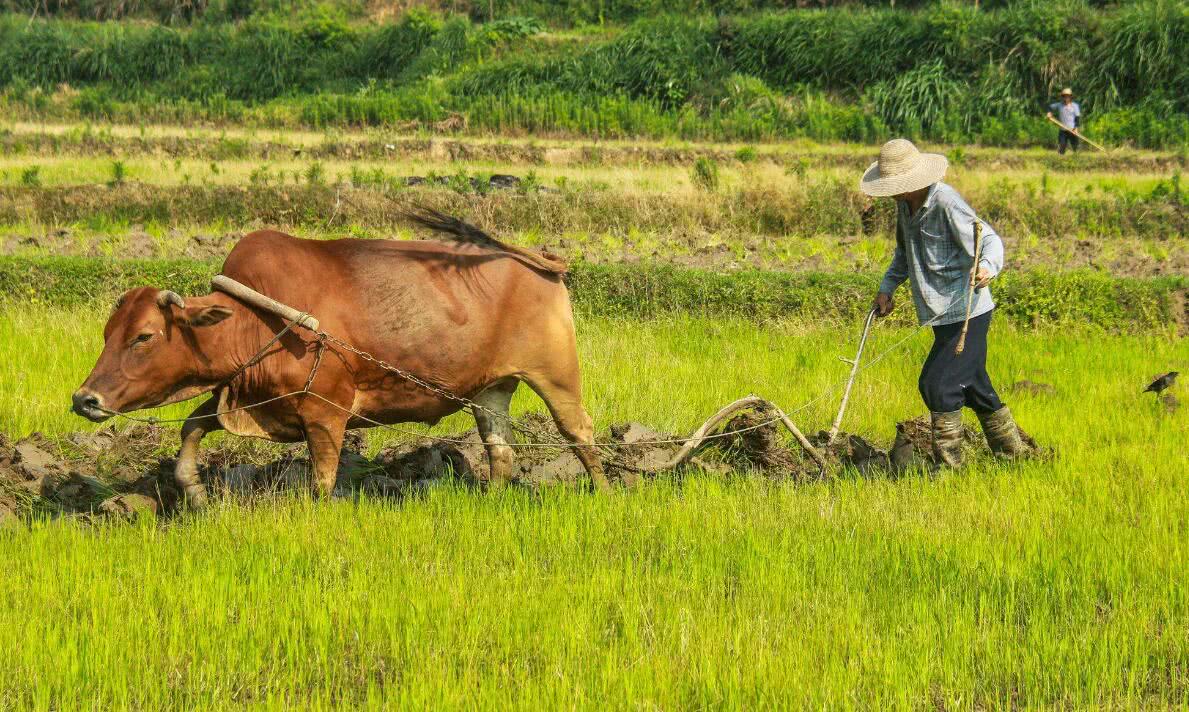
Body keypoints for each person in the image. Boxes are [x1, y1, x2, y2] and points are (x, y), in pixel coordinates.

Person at [861, 138, 1029, 467]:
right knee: (974, 386)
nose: (892, 191)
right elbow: (903, 254)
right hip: (938, 314)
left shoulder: (946, 202)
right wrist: (887, 288)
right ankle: (1015, 456)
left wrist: (987, 268)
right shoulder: (904, 206)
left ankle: (952, 467)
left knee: (936, 384)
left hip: (966, 311)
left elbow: (989, 239)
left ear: (913, 180)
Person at [1047, 88, 1082, 154]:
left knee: (1075, 147)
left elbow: (1077, 118)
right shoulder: (1059, 105)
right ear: (1062, 97)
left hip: (1072, 130)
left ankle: (1077, 158)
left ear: (1071, 97)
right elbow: (1049, 107)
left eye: (1068, 96)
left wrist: (1076, 128)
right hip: (1063, 130)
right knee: (1061, 147)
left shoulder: (1075, 106)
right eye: (1064, 96)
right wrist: (1049, 113)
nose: (1066, 97)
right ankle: (1061, 159)